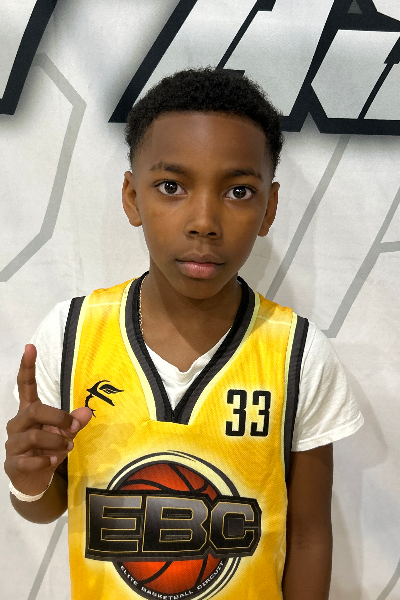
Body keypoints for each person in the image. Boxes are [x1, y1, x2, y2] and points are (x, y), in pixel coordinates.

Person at [5, 68, 363, 600]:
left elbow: (309, 535)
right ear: (133, 196)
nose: (203, 221)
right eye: (172, 186)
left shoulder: (298, 353)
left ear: (269, 208)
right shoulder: (71, 334)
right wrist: (28, 479)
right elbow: (46, 505)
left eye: (238, 191)